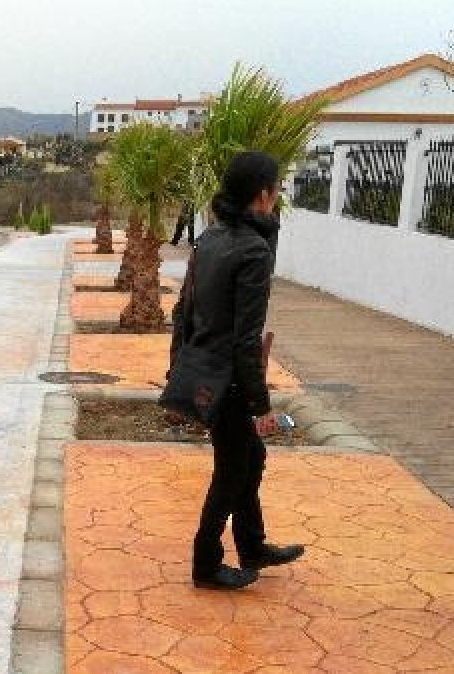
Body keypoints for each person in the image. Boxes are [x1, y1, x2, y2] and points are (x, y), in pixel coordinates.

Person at [170, 150, 303, 590]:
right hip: (227, 377)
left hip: (205, 367)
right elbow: (248, 338)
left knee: (251, 458)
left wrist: (179, 365)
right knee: (232, 470)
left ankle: (252, 545)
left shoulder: (209, 238)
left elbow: (182, 308)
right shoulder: (252, 251)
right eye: (277, 188)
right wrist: (260, 402)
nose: (278, 195)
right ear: (264, 196)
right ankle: (206, 563)